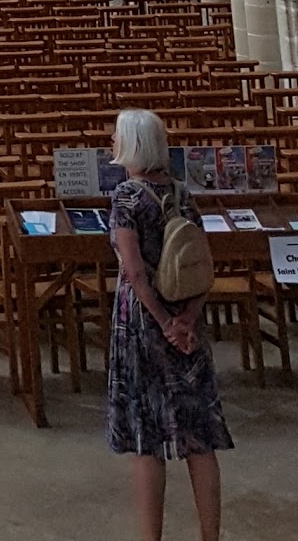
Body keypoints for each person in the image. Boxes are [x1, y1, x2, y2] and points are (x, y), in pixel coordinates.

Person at [106, 107, 229, 541]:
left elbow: (135, 272)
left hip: (143, 324)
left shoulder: (127, 198)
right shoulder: (182, 192)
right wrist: (186, 320)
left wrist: (163, 323)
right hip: (186, 321)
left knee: (146, 438)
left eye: (117, 136)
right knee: (200, 436)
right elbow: (202, 263)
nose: (112, 142)